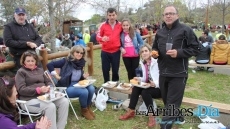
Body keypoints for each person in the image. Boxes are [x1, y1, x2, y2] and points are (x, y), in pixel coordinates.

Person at [152, 5, 199, 129]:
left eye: (171, 13)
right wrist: (155, 53)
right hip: (163, 72)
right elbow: (155, 47)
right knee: (168, 101)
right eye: (166, 14)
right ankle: (179, 117)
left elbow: (196, 48)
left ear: (177, 15)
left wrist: (179, 53)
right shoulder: (160, 32)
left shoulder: (186, 30)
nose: (168, 16)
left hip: (178, 73)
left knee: (171, 105)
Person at [15, 50, 69, 129]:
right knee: (50, 106)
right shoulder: (21, 72)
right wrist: (38, 90)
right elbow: (21, 89)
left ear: (36, 61)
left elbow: (48, 82)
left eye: (32, 61)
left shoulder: (40, 70)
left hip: (44, 98)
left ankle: (61, 127)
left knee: (64, 101)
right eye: (28, 61)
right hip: (29, 102)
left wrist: (49, 88)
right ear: (24, 61)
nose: (30, 63)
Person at [47, 45, 95, 120]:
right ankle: (84, 110)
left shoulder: (81, 62)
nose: (79, 54)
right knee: (84, 91)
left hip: (77, 84)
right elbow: (50, 64)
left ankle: (87, 107)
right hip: (66, 86)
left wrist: (83, 77)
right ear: (73, 52)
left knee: (91, 88)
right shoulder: (65, 61)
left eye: (81, 53)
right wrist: (55, 75)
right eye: (77, 52)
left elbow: (77, 77)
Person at [119, 43, 161, 128]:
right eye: (142, 52)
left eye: (146, 51)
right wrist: (140, 79)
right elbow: (146, 78)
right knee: (136, 87)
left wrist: (155, 83)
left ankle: (151, 116)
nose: (144, 53)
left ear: (150, 52)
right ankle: (131, 111)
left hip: (160, 88)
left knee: (145, 92)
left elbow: (163, 77)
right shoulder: (143, 63)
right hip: (150, 86)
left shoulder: (157, 62)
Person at [96, 7, 122, 83]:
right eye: (110, 15)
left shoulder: (120, 25)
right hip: (105, 51)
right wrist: (102, 38)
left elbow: (126, 33)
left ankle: (115, 85)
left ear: (116, 15)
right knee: (105, 69)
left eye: (113, 15)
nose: (112, 17)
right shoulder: (103, 25)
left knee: (115, 70)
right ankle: (106, 86)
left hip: (116, 51)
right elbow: (97, 36)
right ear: (107, 16)